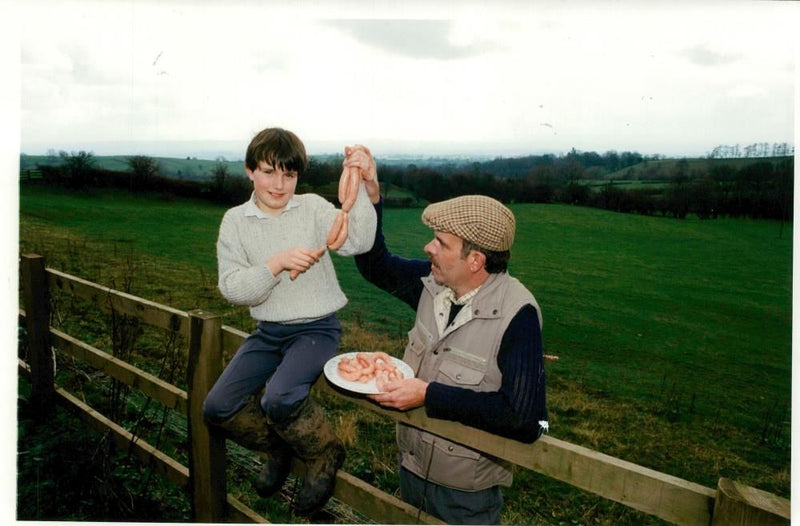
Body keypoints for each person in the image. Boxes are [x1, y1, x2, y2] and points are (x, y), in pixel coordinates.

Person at [344, 145, 547, 525]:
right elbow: (375, 266)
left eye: (441, 242)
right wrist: (371, 196)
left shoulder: (518, 317)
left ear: (475, 260)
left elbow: (530, 422)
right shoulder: (433, 285)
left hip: (466, 500)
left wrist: (428, 394)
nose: (428, 247)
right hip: (410, 472)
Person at [202, 128, 377, 515]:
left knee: (279, 397)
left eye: (289, 175)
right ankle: (281, 447)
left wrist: (364, 184)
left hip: (316, 329)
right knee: (217, 406)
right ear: (250, 171)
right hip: (268, 332)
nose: (279, 185)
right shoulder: (235, 222)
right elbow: (232, 288)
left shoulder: (313, 208)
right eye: (268, 172)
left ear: (298, 176)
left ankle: (324, 453)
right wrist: (276, 264)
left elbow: (358, 241)